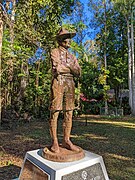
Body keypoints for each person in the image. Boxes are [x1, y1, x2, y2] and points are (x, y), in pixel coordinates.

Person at [49, 27, 81, 153]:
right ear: (61, 40)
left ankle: (66, 140)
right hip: (58, 82)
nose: (69, 40)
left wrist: (67, 67)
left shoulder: (73, 56)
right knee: (55, 110)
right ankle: (55, 141)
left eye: (69, 37)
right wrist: (70, 68)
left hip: (70, 83)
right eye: (66, 37)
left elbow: (78, 72)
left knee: (69, 112)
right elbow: (57, 69)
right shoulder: (54, 52)